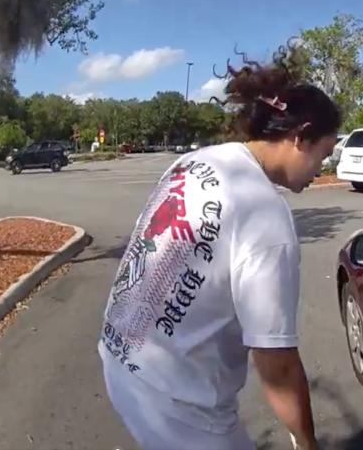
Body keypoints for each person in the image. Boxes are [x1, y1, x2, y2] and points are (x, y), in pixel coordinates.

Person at [97, 48, 340, 450]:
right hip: (178, 404)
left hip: (121, 362)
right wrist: (307, 442)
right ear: (301, 137)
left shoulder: (197, 161)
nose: (321, 170)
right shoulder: (266, 216)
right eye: (324, 154)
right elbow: (276, 363)